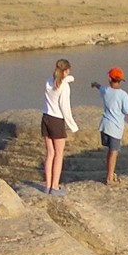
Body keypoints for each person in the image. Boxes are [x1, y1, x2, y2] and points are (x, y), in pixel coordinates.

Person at [89, 66, 128, 185]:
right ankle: (110, 177)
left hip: (104, 126)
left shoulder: (106, 91)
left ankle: (110, 173)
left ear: (110, 79)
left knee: (110, 152)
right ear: (120, 80)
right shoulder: (123, 95)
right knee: (114, 152)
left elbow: (100, 87)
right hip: (115, 128)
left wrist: (95, 84)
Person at [41, 58, 79, 194]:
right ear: (66, 71)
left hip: (45, 118)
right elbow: (65, 108)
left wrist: (69, 78)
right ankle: (55, 187)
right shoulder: (64, 87)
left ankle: (47, 185)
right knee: (59, 154)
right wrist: (73, 126)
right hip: (57, 121)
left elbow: (61, 81)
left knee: (50, 154)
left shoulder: (48, 82)